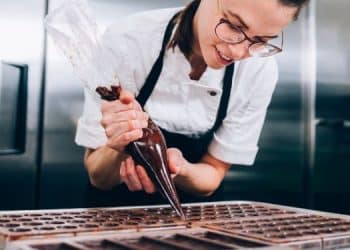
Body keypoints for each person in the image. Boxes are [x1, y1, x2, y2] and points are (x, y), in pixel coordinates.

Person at [76, 0, 309, 206]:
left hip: (195, 224)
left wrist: (180, 169)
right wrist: (120, 145)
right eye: (233, 26)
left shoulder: (258, 70)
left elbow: (213, 174)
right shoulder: (129, 40)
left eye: (260, 40)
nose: (238, 52)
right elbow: (98, 175)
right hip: (113, 222)